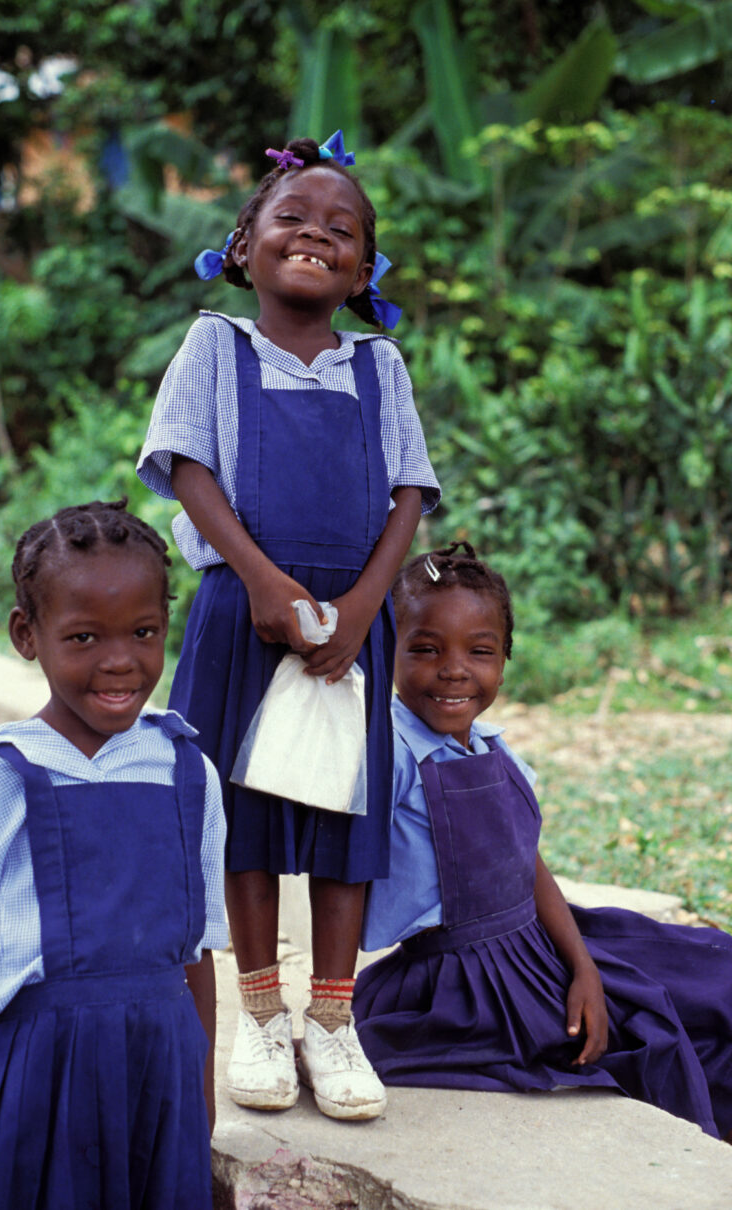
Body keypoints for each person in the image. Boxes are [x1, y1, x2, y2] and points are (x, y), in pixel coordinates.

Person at [137, 131, 439, 1120]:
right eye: (291, 218)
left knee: (342, 819)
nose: (314, 234)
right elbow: (188, 467)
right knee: (248, 821)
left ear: (362, 268)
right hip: (243, 612)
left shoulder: (377, 365)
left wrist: (361, 608)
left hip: (351, 623)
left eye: (339, 228)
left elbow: (406, 495)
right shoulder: (214, 346)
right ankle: (261, 1015)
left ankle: (333, 1021)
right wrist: (264, 584)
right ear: (241, 244)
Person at [352, 541, 732, 1140]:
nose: (454, 670)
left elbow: (526, 864)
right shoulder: (388, 752)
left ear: (505, 659)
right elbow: (339, 874)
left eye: (480, 652)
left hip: (541, 943)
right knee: (653, 1040)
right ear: (386, 651)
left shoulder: (495, 748)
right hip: (466, 984)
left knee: (702, 975)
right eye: (425, 649)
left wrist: (583, 967)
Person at [0, 500, 228, 1209]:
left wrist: (202, 1085)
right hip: (34, 1082)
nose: (120, 660)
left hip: (159, 1074)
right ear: (25, 635)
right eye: (85, 636)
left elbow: (199, 954)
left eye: (144, 632)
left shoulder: (190, 773)